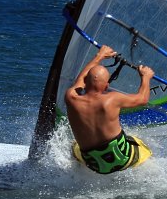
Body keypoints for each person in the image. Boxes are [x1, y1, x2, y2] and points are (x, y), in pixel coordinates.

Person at [64, 44, 154, 174]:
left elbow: (81, 79)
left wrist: (99, 56)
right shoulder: (112, 99)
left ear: (86, 82)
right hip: (122, 159)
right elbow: (143, 99)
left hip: (94, 164)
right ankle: (153, 173)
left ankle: (76, 175)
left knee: (74, 147)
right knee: (142, 146)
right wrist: (145, 77)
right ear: (106, 86)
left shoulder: (71, 96)